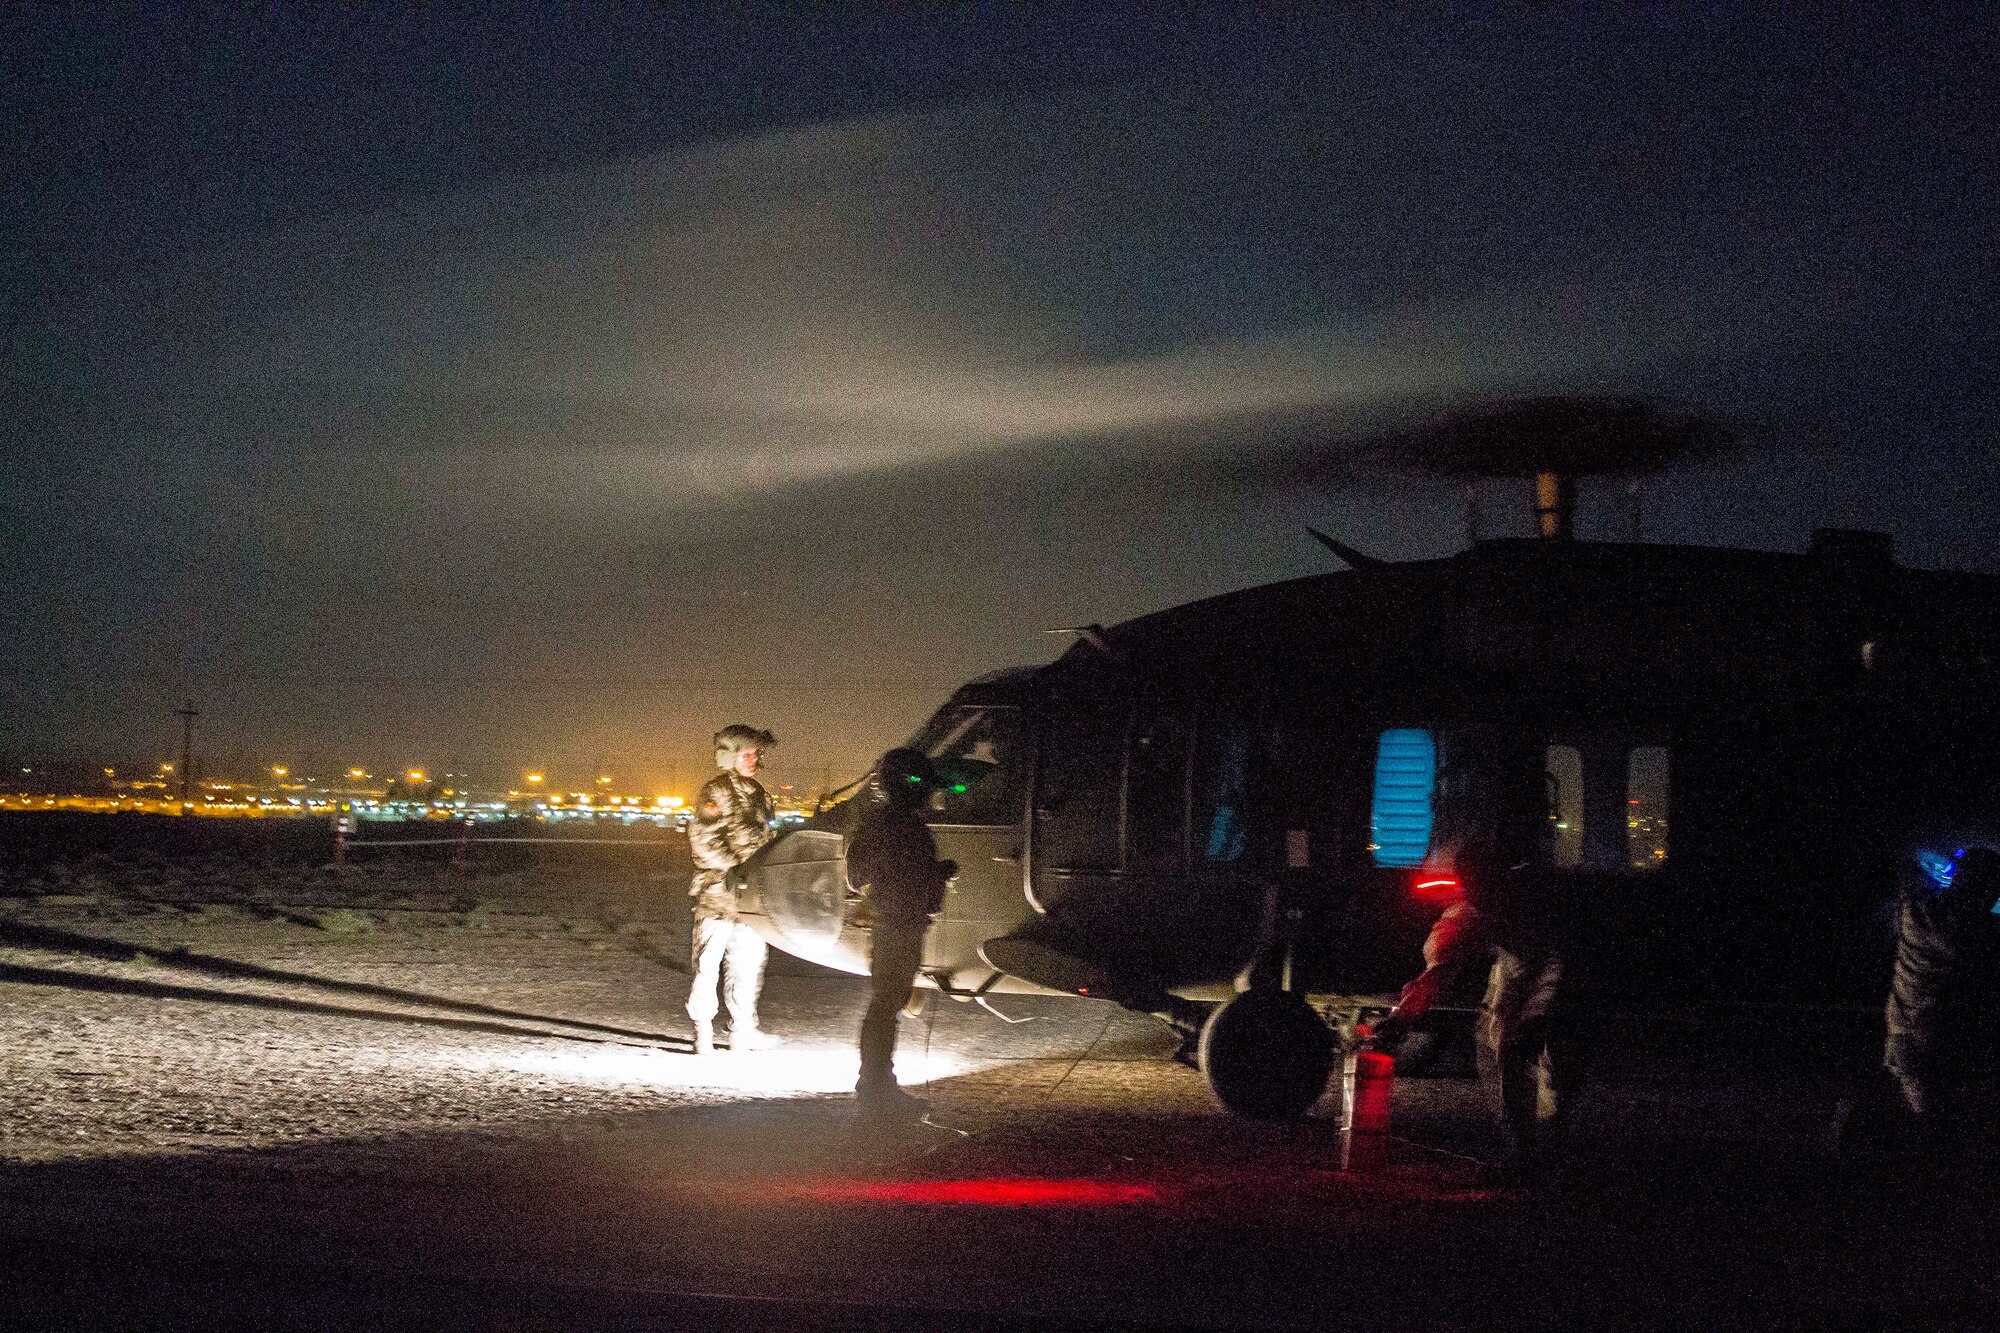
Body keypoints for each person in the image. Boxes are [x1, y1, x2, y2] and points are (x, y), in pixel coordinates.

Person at [1373, 777, 1574, 1183]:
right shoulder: (1471, 913)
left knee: (1540, 1061)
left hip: (1551, 973)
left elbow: (1556, 962)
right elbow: (1438, 970)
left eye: (1485, 880)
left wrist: (1539, 1014)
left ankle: (1540, 1151)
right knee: (1500, 1047)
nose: (1479, 891)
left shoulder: (1532, 902)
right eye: (1474, 883)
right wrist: (1402, 1019)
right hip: (1517, 969)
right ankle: (1524, 1151)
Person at [844, 747, 957, 1113]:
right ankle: (876, 1088)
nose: (929, 795)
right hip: (899, 924)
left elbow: (856, 875)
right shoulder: (905, 827)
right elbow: (906, 877)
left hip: (890, 923)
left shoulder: (877, 823)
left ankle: (876, 1085)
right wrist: (939, 872)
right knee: (886, 1005)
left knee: (886, 1004)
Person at [1881, 845, 2000, 1144]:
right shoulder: (1980, 933)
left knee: (1919, 1122)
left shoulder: (1914, 911)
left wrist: (1936, 865)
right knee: (1941, 1131)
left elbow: (1910, 877)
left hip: (1903, 1030)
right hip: (1942, 1042)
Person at [685, 724, 781, 1054]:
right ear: (730, 757)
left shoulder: (761, 795)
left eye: (756, 753)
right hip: (717, 897)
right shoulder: (716, 793)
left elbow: (767, 840)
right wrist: (737, 867)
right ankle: (702, 1033)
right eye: (746, 753)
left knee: (750, 967)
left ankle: (743, 1032)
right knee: (707, 966)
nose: (753, 759)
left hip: (751, 899)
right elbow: (703, 842)